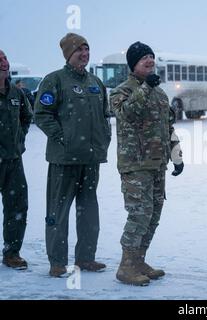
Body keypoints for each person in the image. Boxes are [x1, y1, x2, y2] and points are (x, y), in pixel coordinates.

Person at [34, 33, 111, 277]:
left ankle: (86, 258)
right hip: (64, 159)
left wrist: (104, 138)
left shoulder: (96, 83)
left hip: (91, 159)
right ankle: (57, 262)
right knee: (59, 211)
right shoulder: (54, 80)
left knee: (89, 210)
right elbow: (42, 114)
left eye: (87, 50)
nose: (84, 54)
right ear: (68, 54)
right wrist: (62, 138)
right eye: (79, 50)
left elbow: (105, 116)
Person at [109, 42, 184, 286]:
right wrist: (145, 87)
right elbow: (128, 114)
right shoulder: (122, 91)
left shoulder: (161, 94)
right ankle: (126, 266)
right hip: (135, 165)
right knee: (139, 216)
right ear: (133, 64)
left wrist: (176, 156)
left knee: (153, 215)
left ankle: (138, 261)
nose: (150, 61)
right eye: (144, 58)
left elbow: (168, 128)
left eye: (152, 57)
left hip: (157, 165)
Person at [0, 50, 33, 270]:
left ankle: (12, 253)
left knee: (17, 206)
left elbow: (26, 116)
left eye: (4, 58)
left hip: (13, 161)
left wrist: (18, 139)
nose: (3, 62)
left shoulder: (15, 93)